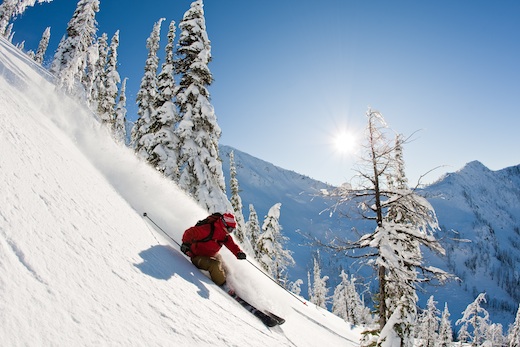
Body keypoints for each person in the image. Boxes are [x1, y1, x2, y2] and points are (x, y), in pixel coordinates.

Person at [181, 212, 246, 286]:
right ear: (223, 224)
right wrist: (185, 244)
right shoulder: (207, 230)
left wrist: (238, 253)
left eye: (232, 230)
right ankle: (224, 285)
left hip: (211, 255)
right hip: (197, 256)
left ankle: (233, 283)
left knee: (225, 266)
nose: (230, 232)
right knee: (215, 265)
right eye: (230, 229)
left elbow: (232, 245)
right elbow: (190, 232)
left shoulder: (225, 236)